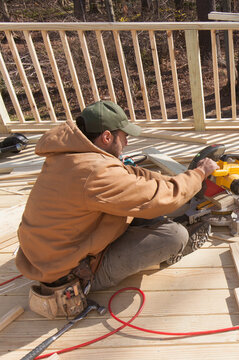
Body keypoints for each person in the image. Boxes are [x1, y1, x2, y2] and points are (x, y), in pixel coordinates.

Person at [15, 100, 218, 319]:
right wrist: (199, 174)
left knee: (147, 207)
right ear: (106, 137)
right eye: (124, 136)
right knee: (174, 235)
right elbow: (158, 198)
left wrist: (176, 180)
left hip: (50, 254)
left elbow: (130, 176)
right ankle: (165, 253)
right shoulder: (94, 172)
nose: (127, 142)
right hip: (71, 273)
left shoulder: (71, 155)